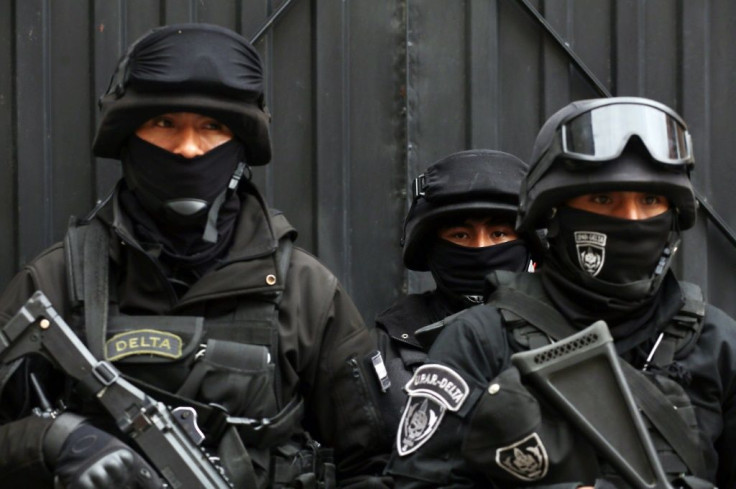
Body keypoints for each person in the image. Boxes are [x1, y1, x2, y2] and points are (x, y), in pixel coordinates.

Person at [0, 23, 390, 489]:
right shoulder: (56, 280)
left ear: (241, 145)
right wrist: (56, 440)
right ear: (127, 135)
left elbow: (373, 463)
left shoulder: (307, 291)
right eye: (165, 124)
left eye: (212, 127)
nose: (188, 148)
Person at [386, 97, 736, 488]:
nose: (633, 221)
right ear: (553, 214)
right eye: (604, 200)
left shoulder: (716, 342)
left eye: (650, 200)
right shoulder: (480, 340)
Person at [374, 149, 534, 433]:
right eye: (461, 235)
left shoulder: (564, 332)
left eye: (499, 234)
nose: (481, 249)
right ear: (431, 247)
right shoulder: (390, 344)